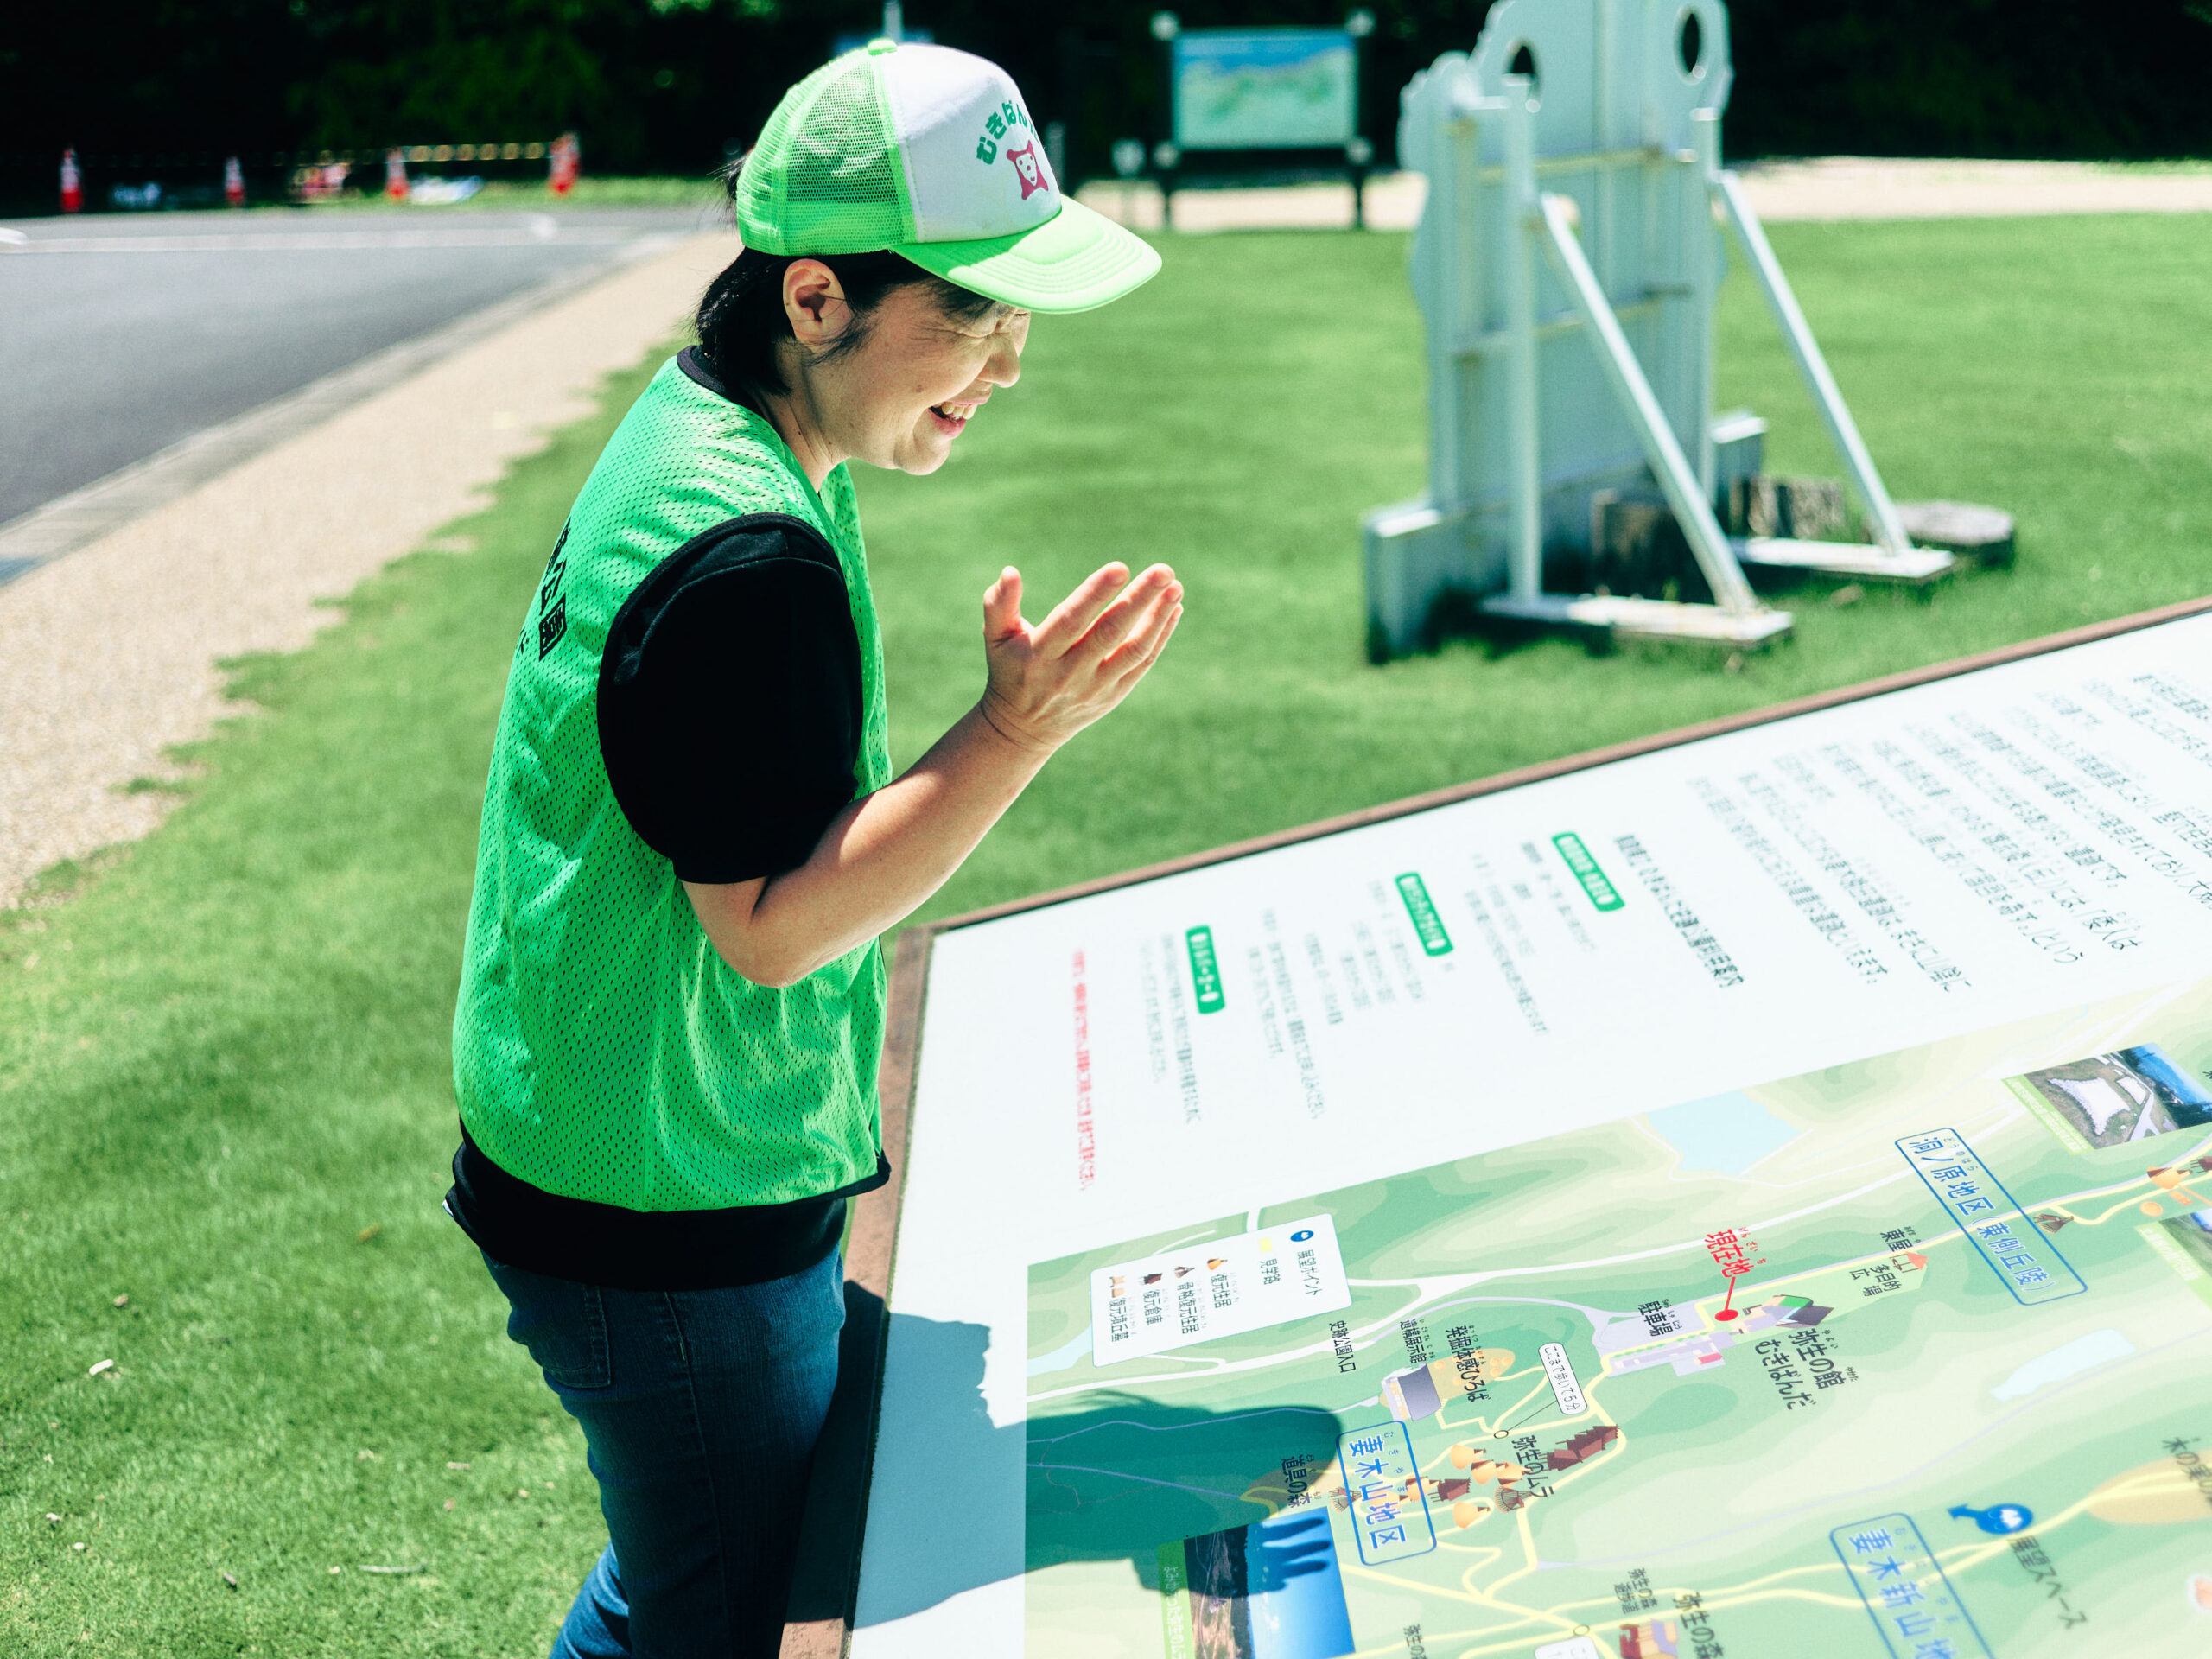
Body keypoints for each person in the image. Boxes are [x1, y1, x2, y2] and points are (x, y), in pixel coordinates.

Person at [441, 39, 1179, 1659]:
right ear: (821, 300)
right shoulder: (747, 553)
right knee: (719, 1607)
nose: (1004, 360)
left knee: (698, 1569)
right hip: (662, 1214)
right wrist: (1016, 732)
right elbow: (770, 929)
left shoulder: (722, 421)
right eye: (972, 311)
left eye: (1017, 312)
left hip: (617, 1156)